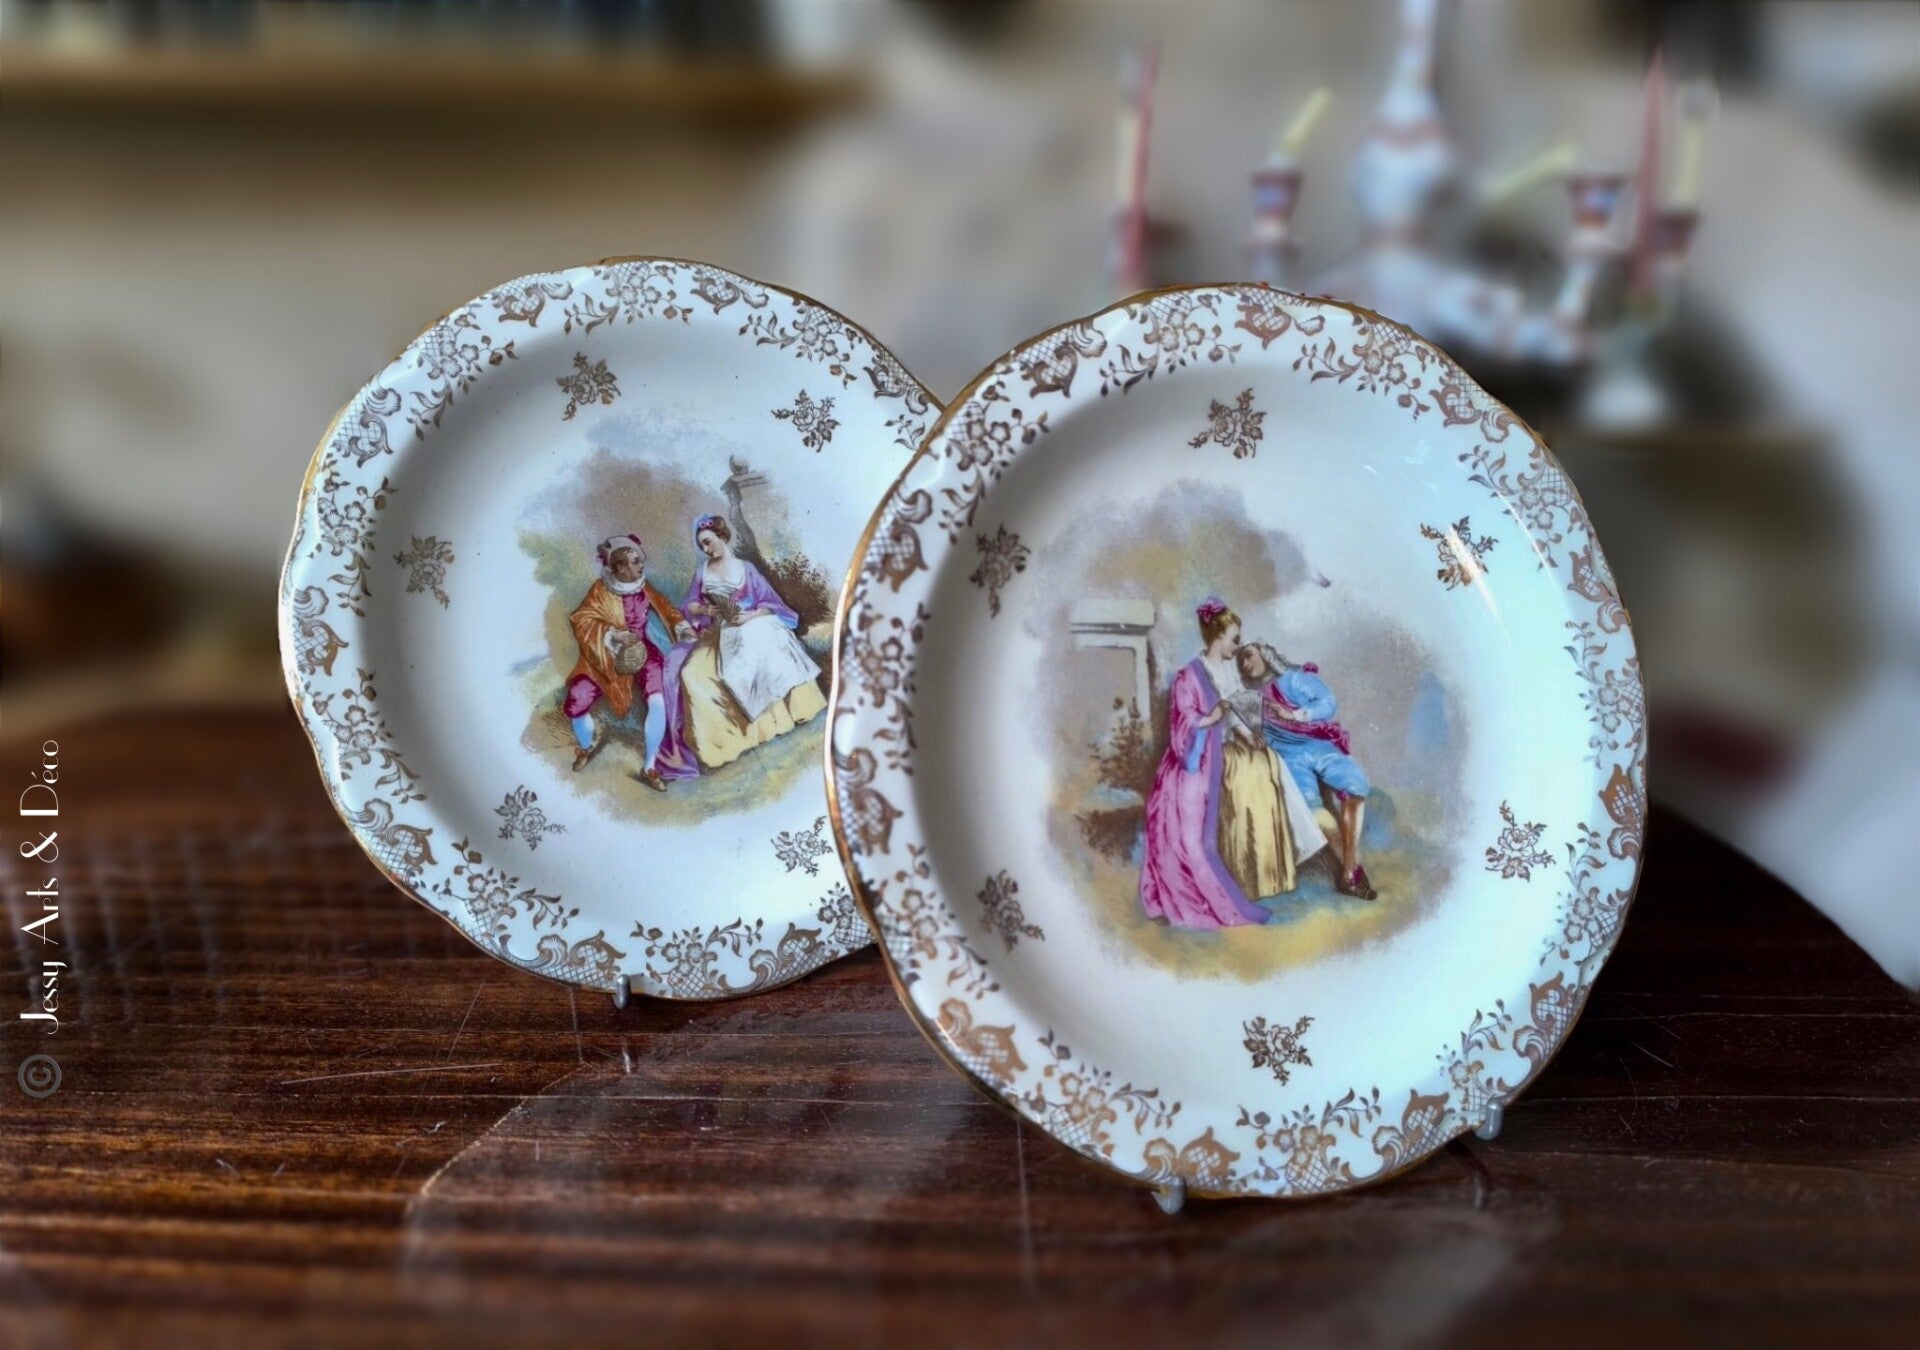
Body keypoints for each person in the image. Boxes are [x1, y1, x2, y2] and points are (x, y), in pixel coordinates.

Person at [1139, 598, 1288, 929]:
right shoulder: (1188, 675)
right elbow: (1183, 721)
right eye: (1234, 639)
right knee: (1182, 837)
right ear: (1218, 636)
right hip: (1191, 764)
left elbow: (1232, 714)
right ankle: (1183, 902)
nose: (1237, 646)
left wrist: (1248, 736)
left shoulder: (1228, 673)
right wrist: (1211, 717)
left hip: (1216, 759)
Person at [674, 515, 825, 769]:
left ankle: (793, 713)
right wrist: (703, 609)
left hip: (754, 619)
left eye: (708, 542)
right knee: (717, 664)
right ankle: (739, 740)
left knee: (764, 637)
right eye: (701, 545)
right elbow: (689, 604)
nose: (706, 549)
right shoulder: (703, 573)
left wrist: (750, 615)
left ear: (722, 536)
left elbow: (769, 601)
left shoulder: (745, 569)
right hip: (727, 628)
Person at [1238, 642, 1377, 900]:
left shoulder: (1294, 679)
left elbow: (1328, 703)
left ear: (1265, 655)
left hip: (1317, 746)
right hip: (1289, 758)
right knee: (1313, 811)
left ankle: (1349, 869)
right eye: (1241, 661)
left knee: (1356, 783)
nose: (1245, 664)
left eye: (1249, 656)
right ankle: (1352, 872)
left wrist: (1296, 715)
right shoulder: (1249, 698)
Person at [561, 533, 699, 788]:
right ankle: (585, 747)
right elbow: (581, 620)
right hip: (603, 658)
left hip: (643, 651)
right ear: (621, 568)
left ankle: (650, 767)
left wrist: (682, 627)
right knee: (578, 698)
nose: (641, 565)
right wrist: (613, 635)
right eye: (636, 562)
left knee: (658, 699)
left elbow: (666, 608)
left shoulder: (643, 586)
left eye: (640, 561)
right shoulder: (600, 590)